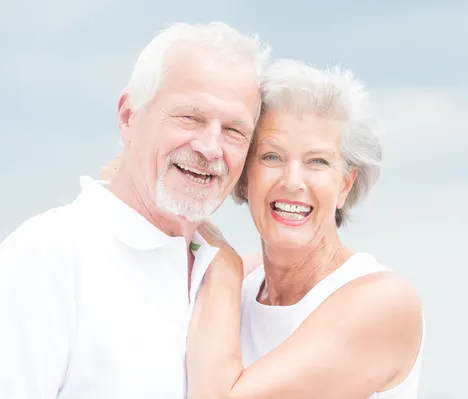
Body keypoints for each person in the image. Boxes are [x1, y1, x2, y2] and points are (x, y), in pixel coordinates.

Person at [0, 22, 270, 398]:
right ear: (129, 117)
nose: (210, 147)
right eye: (190, 117)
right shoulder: (50, 256)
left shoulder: (230, 284)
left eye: (233, 131)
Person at [185, 60, 425, 398]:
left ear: (344, 184)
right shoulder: (241, 283)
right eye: (271, 157)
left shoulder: (384, 302)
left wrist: (223, 266)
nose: (293, 181)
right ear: (243, 180)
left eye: (317, 161)